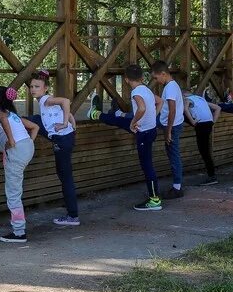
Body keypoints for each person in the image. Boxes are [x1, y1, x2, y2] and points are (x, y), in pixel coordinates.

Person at [88, 64, 162, 211]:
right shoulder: (146, 89)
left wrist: (134, 122)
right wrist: (152, 117)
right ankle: (96, 114)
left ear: (126, 79)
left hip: (143, 133)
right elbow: (160, 101)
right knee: (120, 121)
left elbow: (141, 108)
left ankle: (155, 200)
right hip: (150, 129)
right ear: (141, 77)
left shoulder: (136, 92)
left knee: (147, 166)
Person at [26, 70, 80, 226]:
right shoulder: (45, 101)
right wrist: (71, 120)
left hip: (62, 139)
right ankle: (71, 209)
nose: (33, 89)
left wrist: (64, 123)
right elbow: (63, 108)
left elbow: (66, 102)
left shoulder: (46, 100)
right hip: (65, 137)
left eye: (37, 86)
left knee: (65, 177)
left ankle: (72, 215)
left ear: (46, 88)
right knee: (34, 119)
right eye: (31, 86)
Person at [0, 85, 40, 244]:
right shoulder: (13, 115)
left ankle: (19, 232)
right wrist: (26, 143)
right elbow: (35, 127)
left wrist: (11, 142)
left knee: (13, 193)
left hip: (16, 151)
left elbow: (2, 120)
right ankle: (18, 229)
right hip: (27, 147)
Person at [150, 61, 185, 199]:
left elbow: (172, 110)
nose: (156, 81)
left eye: (156, 78)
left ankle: (177, 188)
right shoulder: (172, 85)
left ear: (163, 74)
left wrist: (168, 131)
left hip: (171, 125)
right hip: (168, 122)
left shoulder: (170, 88)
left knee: (173, 155)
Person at [183, 89, 221, 186]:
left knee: (204, 151)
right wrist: (213, 122)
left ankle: (212, 176)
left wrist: (192, 121)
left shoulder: (187, 99)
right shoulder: (201, 99)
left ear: (183, 95)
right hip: (208, 123)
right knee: (206, 150)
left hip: (201, 125)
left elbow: (185, 109)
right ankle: (212, 175)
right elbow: (218, 108)